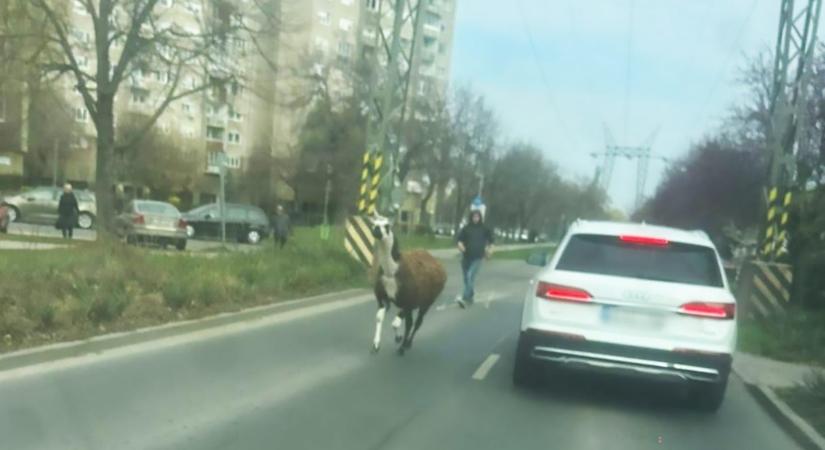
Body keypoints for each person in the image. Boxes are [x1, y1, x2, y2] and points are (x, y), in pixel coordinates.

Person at [456, 209, 494, 308]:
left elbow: (491, 241)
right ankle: (471, 296)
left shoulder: (484, 229)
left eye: (477, 217)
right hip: (466, 257)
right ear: (471, 217)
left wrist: (489, 251)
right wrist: (461, 246)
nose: (475, 218)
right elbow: (459, 240)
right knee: (466, 279)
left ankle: (464, 299)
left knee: (470, 276)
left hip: (478, 257)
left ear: (480, 218)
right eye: (474, 216)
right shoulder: (466, 228)